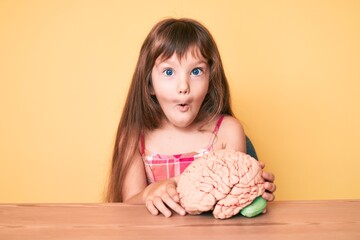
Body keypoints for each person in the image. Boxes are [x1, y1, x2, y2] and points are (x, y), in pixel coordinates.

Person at [106, 18, 276, 217]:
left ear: (210, 79)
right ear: (149, 84)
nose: (183, 87)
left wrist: (251, 192)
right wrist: (147, 195)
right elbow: (127, 209)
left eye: (196, 71)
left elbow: (231, 207)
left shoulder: (226, 132)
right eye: (168, 72)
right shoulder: (134, 137)